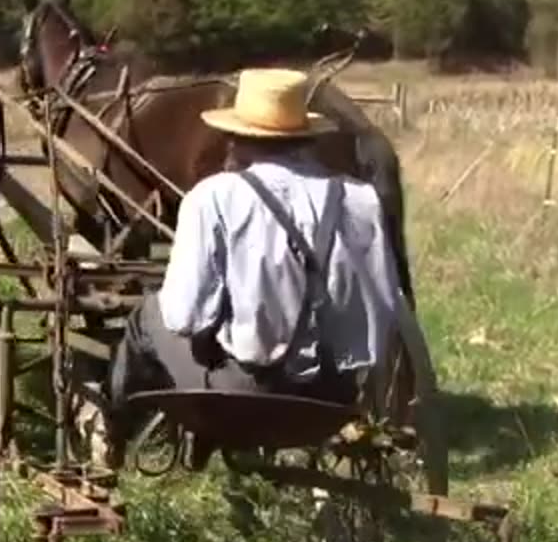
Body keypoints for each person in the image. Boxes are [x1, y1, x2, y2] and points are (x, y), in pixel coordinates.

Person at [96, 68, 408, 468]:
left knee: (147, 318)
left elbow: (183, 316)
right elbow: (383, 307)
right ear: (306, 138)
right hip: (335, 398)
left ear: (235, 138)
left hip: (244, 396)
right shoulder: (361, 200)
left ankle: (114, 432)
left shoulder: (212, 198)